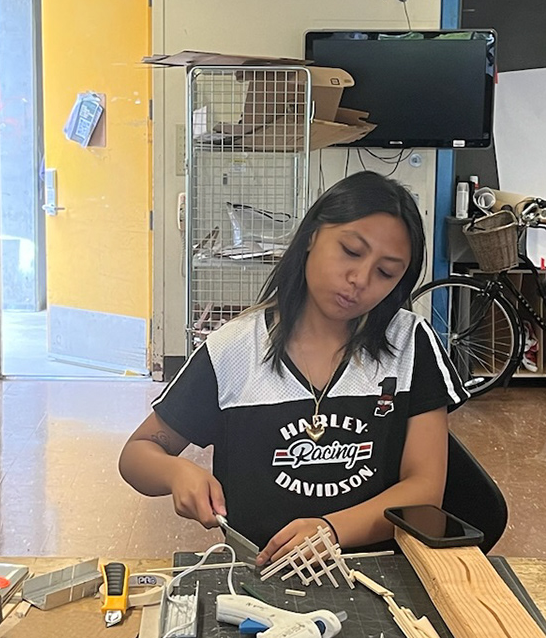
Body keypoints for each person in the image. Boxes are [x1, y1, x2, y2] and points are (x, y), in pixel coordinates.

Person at [120, 171, 466, 564]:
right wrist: (176, 472)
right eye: (351, 251)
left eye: (385, 273)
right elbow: (137, 454)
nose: (359, 279)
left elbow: (425, 489)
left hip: (374, 569)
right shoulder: (234, 349)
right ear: (312, 235)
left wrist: (331, 530)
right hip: (258, 571)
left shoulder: (410, 344)